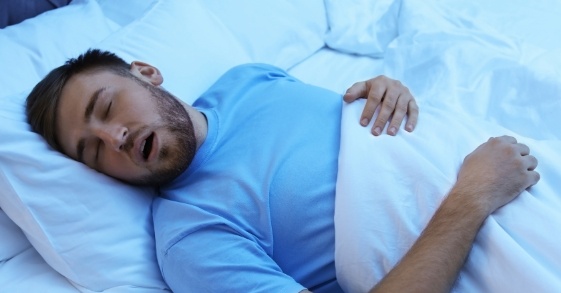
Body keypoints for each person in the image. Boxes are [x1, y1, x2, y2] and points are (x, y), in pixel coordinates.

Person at [26, 49, 539, 293]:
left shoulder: (248, 78)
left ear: (147, 73)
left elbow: (348, 134)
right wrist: (473, 195)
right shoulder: (192, 238)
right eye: (93, 153)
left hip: (512, 165)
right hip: (486, 219)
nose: (113, 138)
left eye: (108, 107)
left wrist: (390, 92)